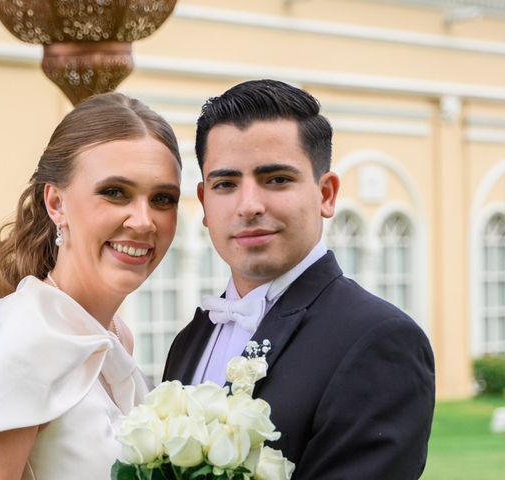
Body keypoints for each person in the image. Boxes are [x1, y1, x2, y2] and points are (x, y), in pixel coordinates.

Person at [163, 79, 435, 479]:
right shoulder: (191, 338)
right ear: (204, 203)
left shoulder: (380, 340)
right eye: (226, 184)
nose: (249, 205)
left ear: (326, 194)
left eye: (276, 179)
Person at [0, 92, 182, 479]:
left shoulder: (115, 337)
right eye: (114, 192)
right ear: (56, 202)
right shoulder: (15, 337)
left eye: (162, 198)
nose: (143, 221)